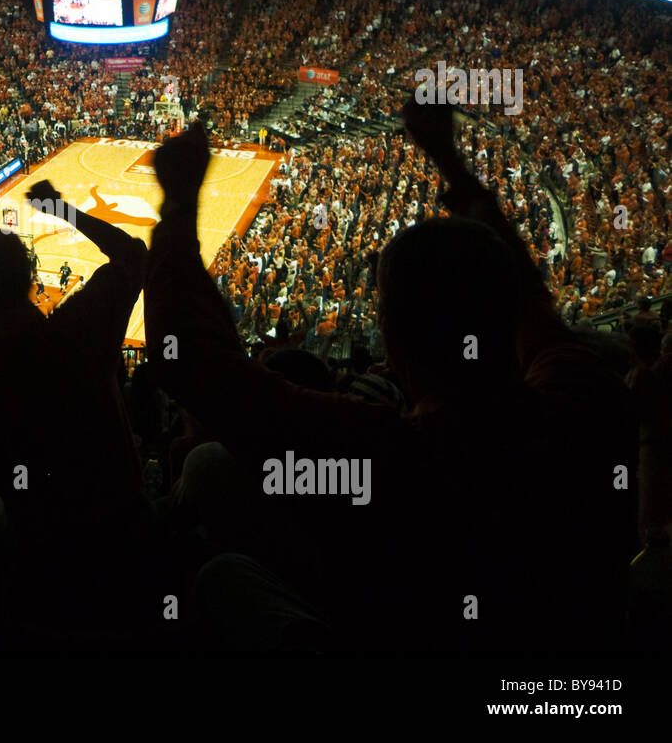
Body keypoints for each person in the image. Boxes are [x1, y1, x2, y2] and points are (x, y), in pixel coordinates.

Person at [144, 116, 633, 653]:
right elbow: (528, 295)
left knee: (221, 570)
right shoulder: (583, 393)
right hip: (576, 643)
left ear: (394, 338)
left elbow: (190, 362)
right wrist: (451, 162)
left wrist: (177, 202)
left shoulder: (390, 454)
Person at [0, 179, 153, 643]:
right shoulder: (80, 331)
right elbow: (135, 254)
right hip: (117, 520)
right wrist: (63, 210)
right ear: (32, 276)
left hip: (35, 539)